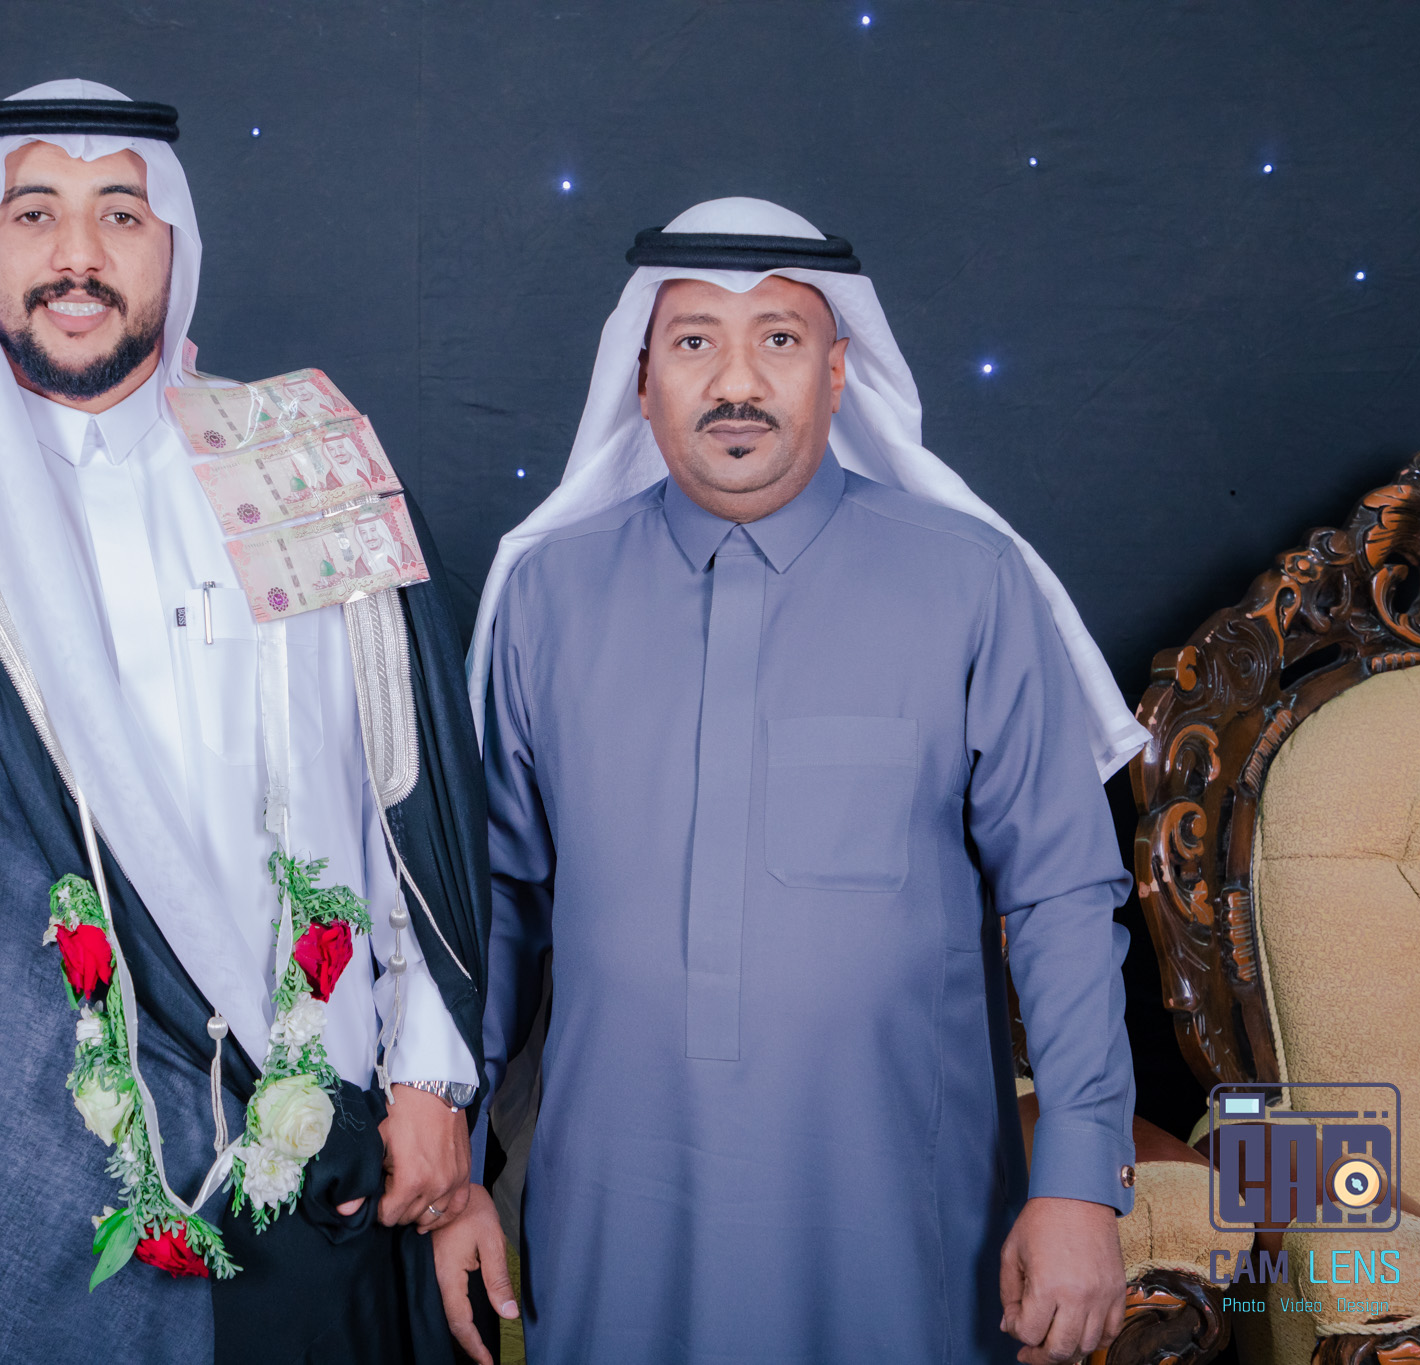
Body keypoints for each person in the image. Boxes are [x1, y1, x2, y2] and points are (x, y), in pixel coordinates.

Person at [0, 80, 492, 1365]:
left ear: (174, 247)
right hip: (5, 1181)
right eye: (35, 214)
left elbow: (412, 809)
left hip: (325, 1157)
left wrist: (430, 1079)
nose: (77, 254)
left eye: (119, 213)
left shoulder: (308, 472)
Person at [435, 198, 1149, 1364]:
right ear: (639, 379)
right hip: (614, 1209)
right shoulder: (546, 595)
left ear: (837, 371)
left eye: (777, 337)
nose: (736, 382)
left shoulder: (969, 583)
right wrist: (458, 1164)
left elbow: (1061, 894)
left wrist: (1076, 1181)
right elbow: (498, 909)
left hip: (898, 1210)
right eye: (693, 341)